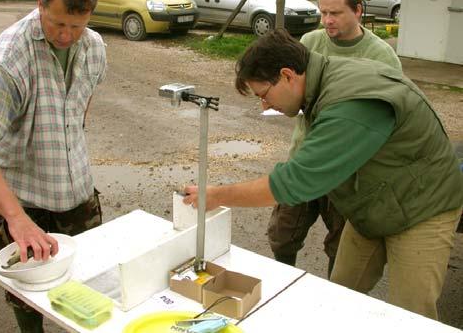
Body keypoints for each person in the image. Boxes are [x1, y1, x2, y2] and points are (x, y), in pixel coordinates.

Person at [183, 29, 463, 320]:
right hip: (375, 204)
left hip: (423, 206)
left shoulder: (350, 102)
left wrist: (215, 195)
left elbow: (295, 181)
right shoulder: (324, 81)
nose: (264, 105)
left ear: (288, 75)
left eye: (264, 95)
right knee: (340, 293)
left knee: (411, 316)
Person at [0, 0, 106, 332]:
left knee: (85, 296)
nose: (67, 35)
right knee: (29, 305)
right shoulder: (11, 58)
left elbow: (79, 107)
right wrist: (16, 218)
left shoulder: (95, 47)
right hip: (24, 208)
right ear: (40, 3)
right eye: (57, 23)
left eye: (77, 25)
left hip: (79, 201)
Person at [267, 0, 401, 277]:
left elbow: (391, 113)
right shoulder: (310, 43)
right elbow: (292, 95)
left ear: (358, 11)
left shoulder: (381, 57)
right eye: (323, 12)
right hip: (305, 157)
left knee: (341, 247)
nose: (327, 20)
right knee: (282, 234)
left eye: (335, 13)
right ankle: (282, 287)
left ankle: (334, 297)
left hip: (348, 170)